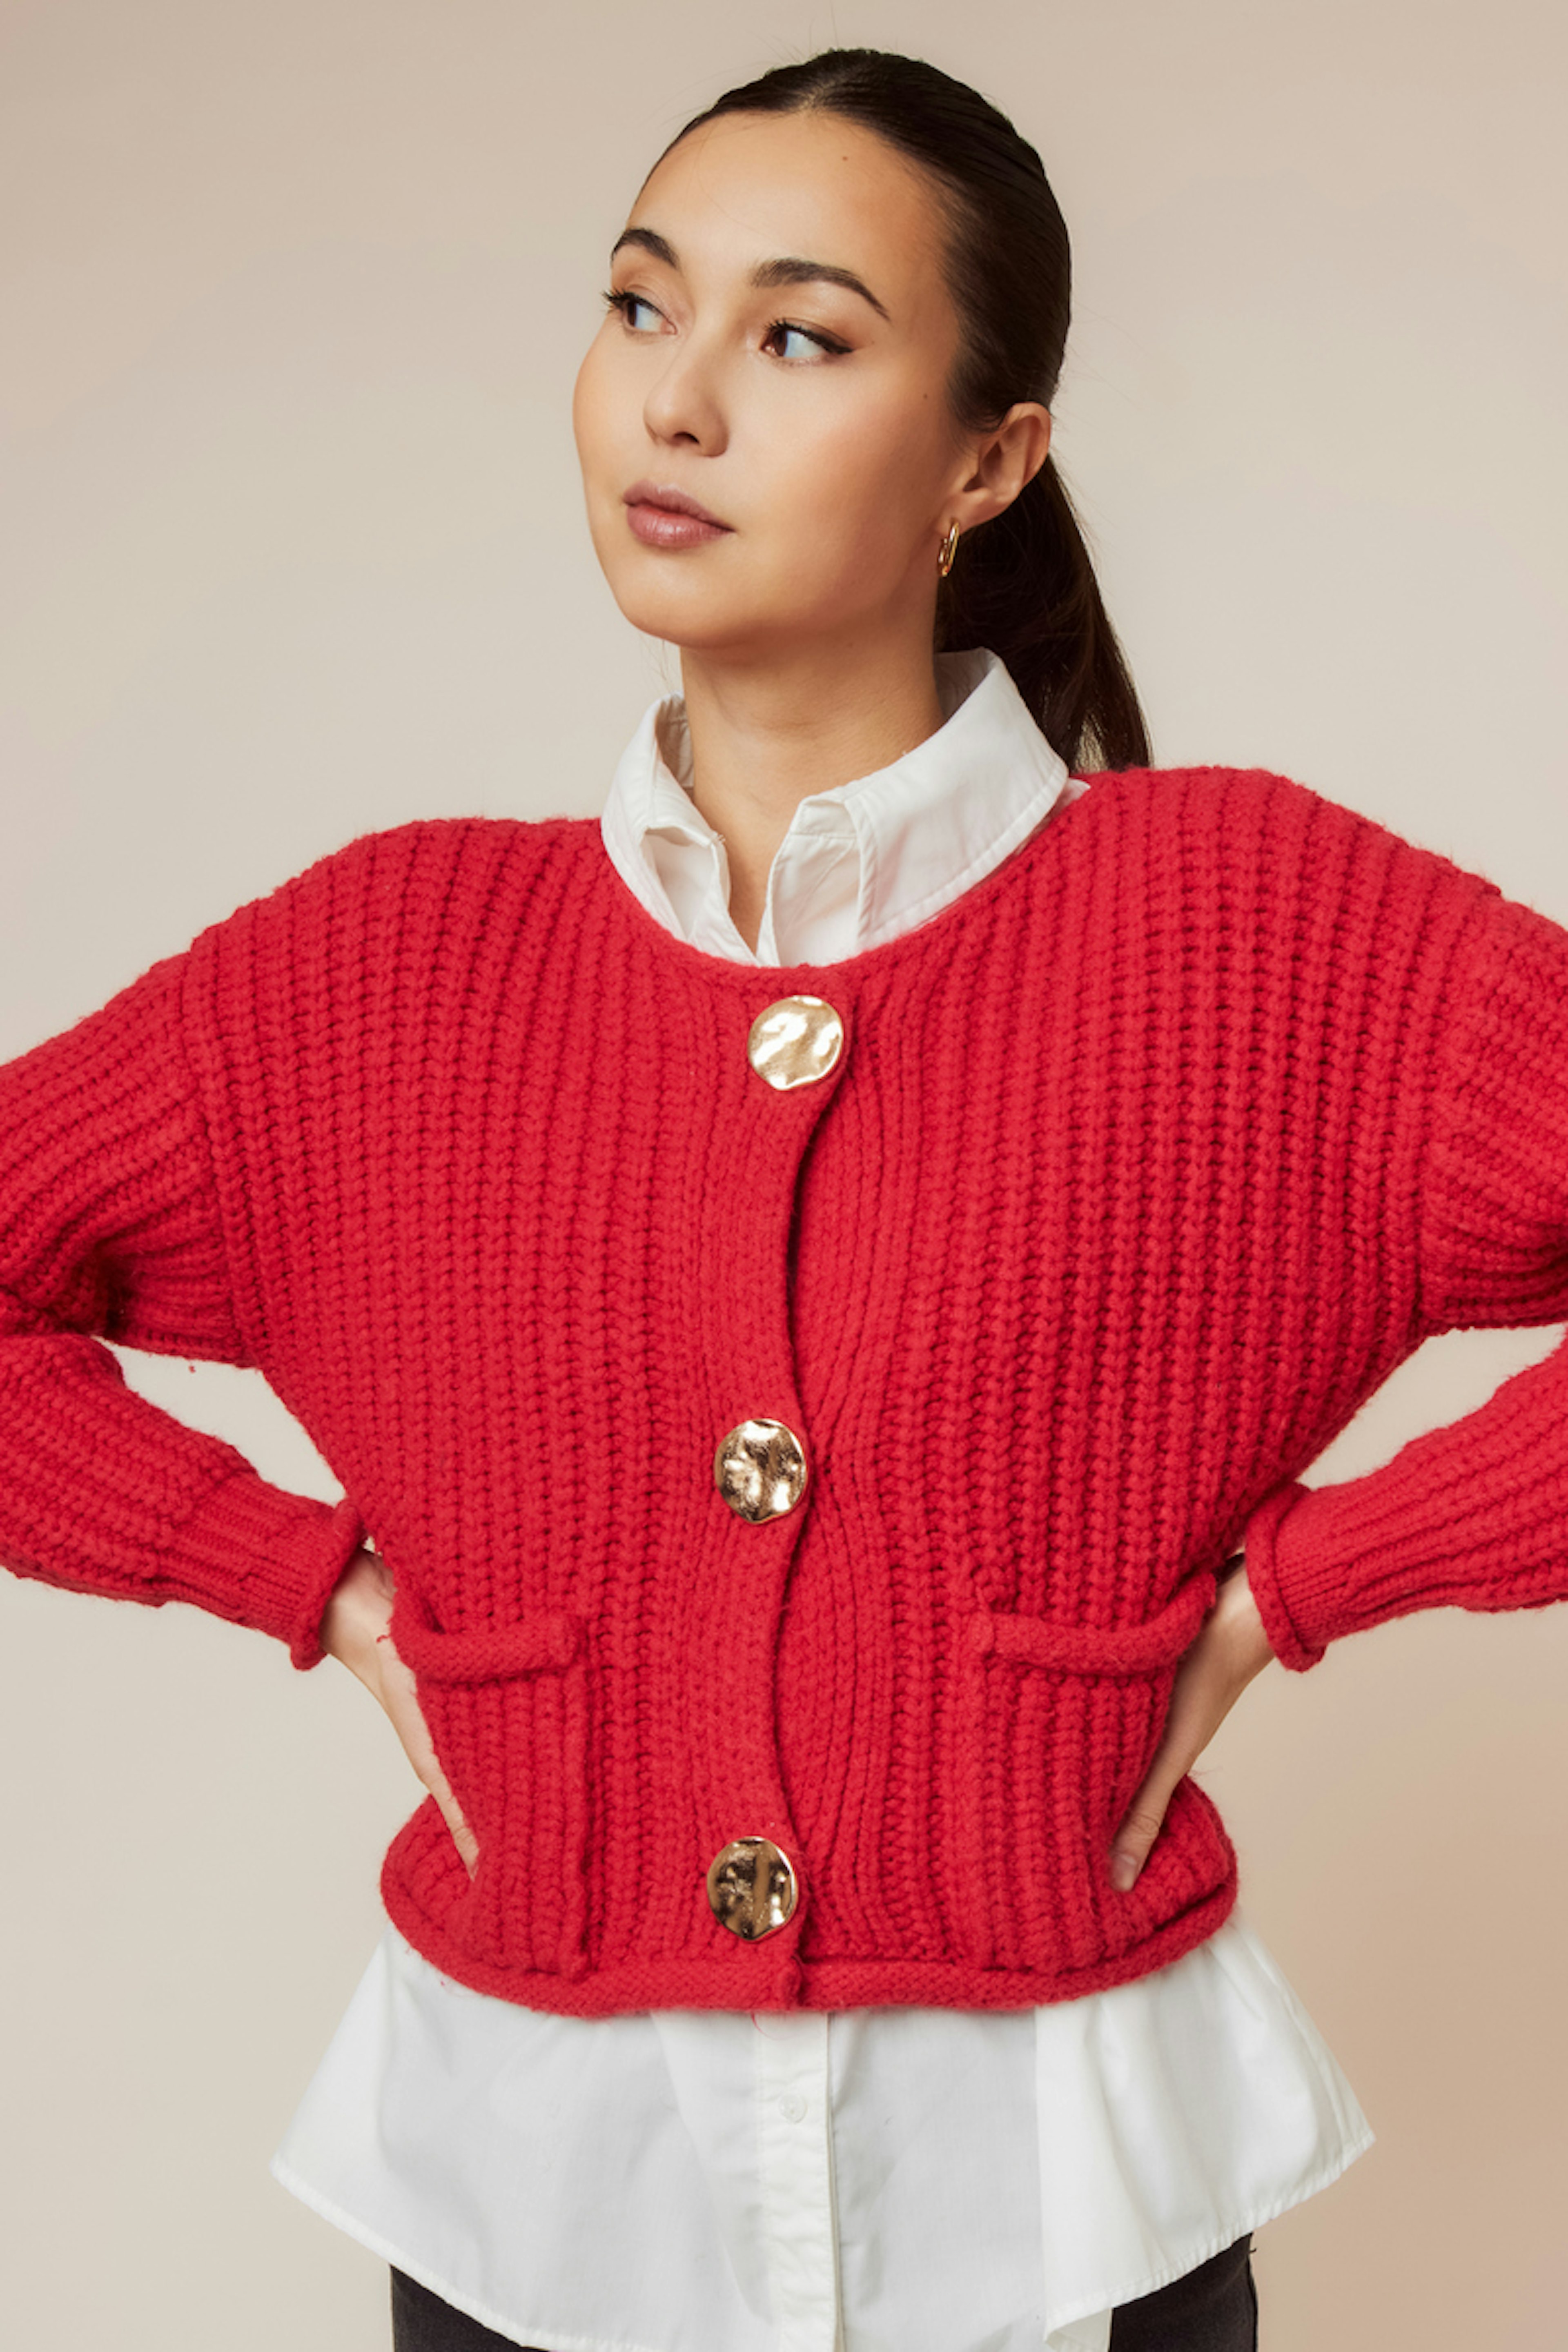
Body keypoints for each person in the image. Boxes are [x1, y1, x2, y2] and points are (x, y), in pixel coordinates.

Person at [2, 42, 1564, 2352]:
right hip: (534, 2196)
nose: (680, 400)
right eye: (642, 306)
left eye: (802, 335)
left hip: (1067, 2199)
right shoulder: (379, 970)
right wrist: (307, 1586)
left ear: (990, 459)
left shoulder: (1256, 940)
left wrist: (1305, 1590)